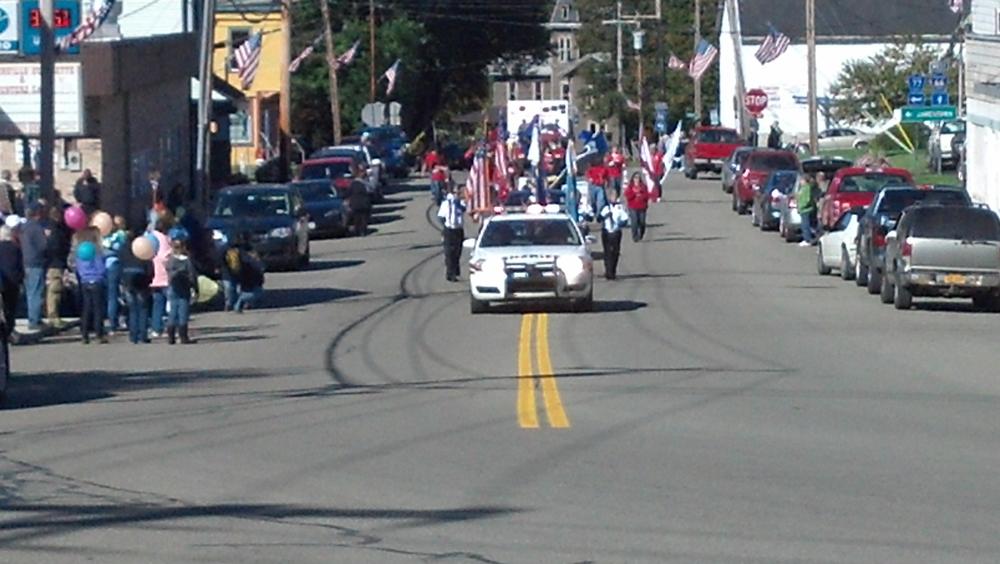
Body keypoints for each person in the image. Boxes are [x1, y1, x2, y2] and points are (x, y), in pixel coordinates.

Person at [119, 229, 153, 344]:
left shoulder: (122, 249)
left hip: (128, 279)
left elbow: (120, 264)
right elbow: (149, 264)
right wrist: (149, 279)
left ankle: (133, 336)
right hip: (141, 279)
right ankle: (143, 335)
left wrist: (122, 279)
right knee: (143, 309)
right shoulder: (143, 247)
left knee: (132, 309)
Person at [20, 203, 48, 332]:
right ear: (38, 213)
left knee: (30, 292)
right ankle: (34, 320)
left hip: (25, 263)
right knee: (36, 292)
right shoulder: (36, 228)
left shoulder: (23, 227)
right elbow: (43, 246)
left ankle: (33, 317)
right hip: (36, 262)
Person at [165, 236, 198, 345]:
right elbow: (193, 276)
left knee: (173, 312)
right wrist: (195, 289)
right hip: (184, 289)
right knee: (183, 311)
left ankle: (171, 336)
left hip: (173, 288)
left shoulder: (170, 260)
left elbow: (168, 273)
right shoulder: (187, 261)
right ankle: (183, 336)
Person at [44, 207, 72, 329]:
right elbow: (56, 247)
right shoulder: (55, 230)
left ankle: (53, 315)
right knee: (54, 291)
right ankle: (53, 317)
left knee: (55, 290)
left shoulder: (52, 229)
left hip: (54, 263)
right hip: (55, 264)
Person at [75, 239, 107, 344]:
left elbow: (79, 271)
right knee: (98, 309)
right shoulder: (96, 257)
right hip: (97, 282)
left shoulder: (79, 259)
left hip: (85, 283)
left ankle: (84, 335)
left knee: (86, 309)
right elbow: (102, 269)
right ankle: (99, 334)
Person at [102, 215, 128, 333]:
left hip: (103, 266)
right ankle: (116, 320)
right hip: (115, 265)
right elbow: (122, 249)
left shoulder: (102, 237)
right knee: (116, 294)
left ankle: (113, 321)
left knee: (110, 294)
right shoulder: (120, 235)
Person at [437, 184, 466, 282]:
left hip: (459, 230)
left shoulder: (460, 203)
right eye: (458, 192)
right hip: (449, 230)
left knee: (458, 252)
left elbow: (464, 209)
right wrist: (445, 226)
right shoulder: (446, 203)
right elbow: (441, 217)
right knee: (449, 253)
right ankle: (450, 273)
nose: (460, 194)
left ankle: (455, 270)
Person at [149, 218, 172, 338]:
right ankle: (172, 327)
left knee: (157, 304)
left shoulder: (149, 237)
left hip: (153, 276)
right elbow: (166, 257)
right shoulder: (165, 239)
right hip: (164, 276)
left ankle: (156, 328)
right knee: (171, 304)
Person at [598, 188, 628, 280]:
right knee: (607, 252)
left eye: (615, 196)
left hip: (616, 232)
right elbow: (599, 218)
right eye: (611, 196)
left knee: (615, 252)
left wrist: (620, 224)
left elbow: (625, 219)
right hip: (606, 232)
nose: (613, 198)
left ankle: (613, 270)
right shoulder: (606, 208)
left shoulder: (620, 208)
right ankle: (608, 271)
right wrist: (604, 216)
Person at [0, 226, 23, 339]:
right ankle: (9, 329)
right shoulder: (15, 248)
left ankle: (4, 331)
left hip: (2, 281)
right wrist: (21, 279)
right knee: (11, 308)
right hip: (13, 282)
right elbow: (20, 265)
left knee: (2, 307)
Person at [233, 243, 265, 313]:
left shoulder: (248, 257)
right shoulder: (247, 258)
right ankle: (240, 302)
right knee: (256, 294)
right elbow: (258, 268)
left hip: (251, 280)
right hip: (249, 279)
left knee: (254, 292)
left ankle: (241, 305)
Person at [623, 172, 651, 242]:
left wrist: (640, 195)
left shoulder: (643, 186)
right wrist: (634, 193)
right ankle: (635, 236)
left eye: (638, 178)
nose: (636, 179)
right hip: (633, 207)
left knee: (642, 222)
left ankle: (641, 233)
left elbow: (647, 196)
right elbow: (627, 196)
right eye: (635, 177)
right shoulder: (630, 187)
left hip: (642, 207)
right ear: (633, 179)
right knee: (634, 222)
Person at [346, 165, 372, 237]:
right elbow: (370, 190)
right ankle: (361, 231)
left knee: (359, 218)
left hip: (357, 204)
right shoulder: (364, 183)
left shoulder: (352, 184)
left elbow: (347, 194)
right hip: (362, 204)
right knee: (362, 218)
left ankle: (359, 231)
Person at [797, 174, 820, 247]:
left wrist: (802, 206)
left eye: (801, 180)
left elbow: (807, 199)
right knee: (808, 225)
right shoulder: (803, 188)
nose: (800, 182)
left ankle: (807, 240)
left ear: (804, 180)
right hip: (803, 209)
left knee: (805, 225)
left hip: (806, 209)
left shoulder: (807, 188)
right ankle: (812, 238)